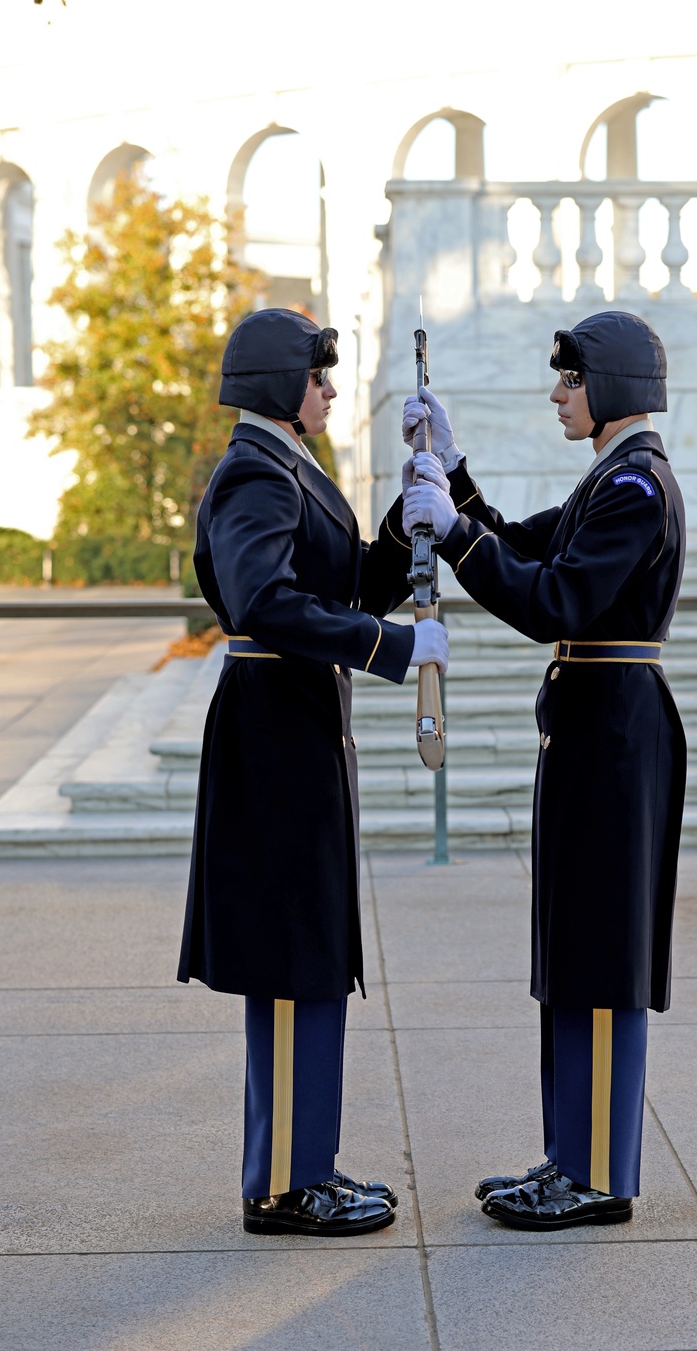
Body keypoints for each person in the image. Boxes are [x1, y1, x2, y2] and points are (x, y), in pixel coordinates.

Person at [401, 309, 686, 1229]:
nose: (557, 394)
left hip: (613, 742)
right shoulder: (609, 478)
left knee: (601, 952)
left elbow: (552, 597)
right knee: (574, 946)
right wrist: (454, 475)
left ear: (610, 389)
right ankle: (570, 1151)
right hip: (589, 734)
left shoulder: (636, 487)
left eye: (569, 380)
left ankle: (599, 1171)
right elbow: (521, 543)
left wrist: (451, 534)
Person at [178, 307, 449, 1236]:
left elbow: (335, 582)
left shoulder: (287, 465)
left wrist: (412, 513)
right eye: (319, 375)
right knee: (294, 960)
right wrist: (391, 645)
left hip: (296, 731)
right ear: (278, 384)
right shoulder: (256, 471)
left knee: (311, 955)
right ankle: (289, 1185)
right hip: (275, 738)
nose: (332, 389)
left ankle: (304, 1166)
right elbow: (266, 602)